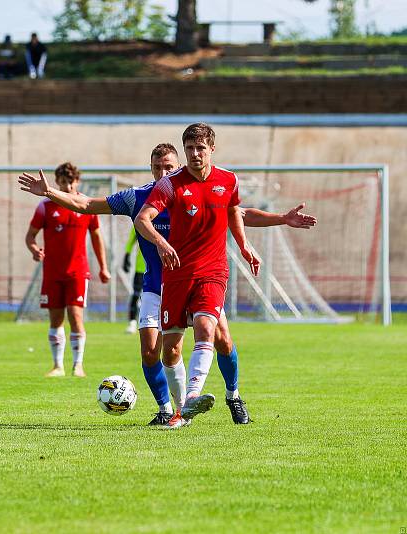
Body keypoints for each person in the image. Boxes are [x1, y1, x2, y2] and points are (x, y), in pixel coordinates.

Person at [19, 142, 316, 426]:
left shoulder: (190, 189)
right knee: (151, 351)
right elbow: (85, 204)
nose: (163, 173)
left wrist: (281, 219)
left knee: (222, 340)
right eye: (157, 168)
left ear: (179, 165)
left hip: (198, 279)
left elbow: (238, 213)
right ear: (150, 169)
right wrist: (50, 193)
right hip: (156, 286)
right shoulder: (138, 198)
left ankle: (233, 395)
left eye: (169, 167)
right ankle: (167, 410)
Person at [136, 123, 262, 427]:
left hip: (213, 271)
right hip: (177, 274)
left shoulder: (228, 180)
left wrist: (244, 246)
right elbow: (143, 219)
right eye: (190, 148)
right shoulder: (170, 185)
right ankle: (181, 412)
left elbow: (234, 212)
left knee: (210, 329)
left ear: (212, 149)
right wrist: (162, 242)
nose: (195, 154)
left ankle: (207, 395)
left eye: (200, 148)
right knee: (171, 351)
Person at [25, 162, 111, 378]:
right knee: (55, 319)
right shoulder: (45, 206)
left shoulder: (86, 205)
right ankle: (57, 366)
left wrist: (103, 267)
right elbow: (30, 236)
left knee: (75, 315)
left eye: (70, 182)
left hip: (78, 272)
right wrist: (34, 249)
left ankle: (78, 365)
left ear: (77, 181)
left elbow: (97, 237)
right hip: (52, 272)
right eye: (62, 182)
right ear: (57, 183)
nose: (67, 186)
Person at [122, 226, 146, 334]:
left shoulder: (164, 219)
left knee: (158, 295)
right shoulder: (142, 216)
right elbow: (133, 236)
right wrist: (127, 254)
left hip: (158, 267)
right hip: (140, 267)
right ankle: (132, 323)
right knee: (136, 294)